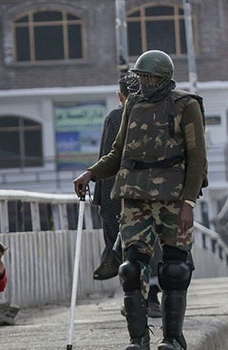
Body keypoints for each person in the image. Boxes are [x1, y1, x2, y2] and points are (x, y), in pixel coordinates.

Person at [74, 50, 207, 350]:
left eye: (149, 78)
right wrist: (90, 173)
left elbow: (197, 158)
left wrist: (189, 201)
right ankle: (138, 340)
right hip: (135, 197)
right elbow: (118, 153)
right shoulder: (132, 103)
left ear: (163, 79)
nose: (144, 83)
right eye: (141, 77)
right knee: (131, 269)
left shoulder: (186, 106)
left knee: (175, 269)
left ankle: (173, 339)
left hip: (173, 198)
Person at [93, 76, 162, 318]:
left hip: (122, 196)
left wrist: (101, 201)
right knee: (152, 244)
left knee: (127, 248)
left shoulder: (115, 117)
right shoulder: (160, 113)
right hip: (157, 193)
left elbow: (108, 158)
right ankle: (152, 298)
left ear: (120, 96)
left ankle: (135, 300)